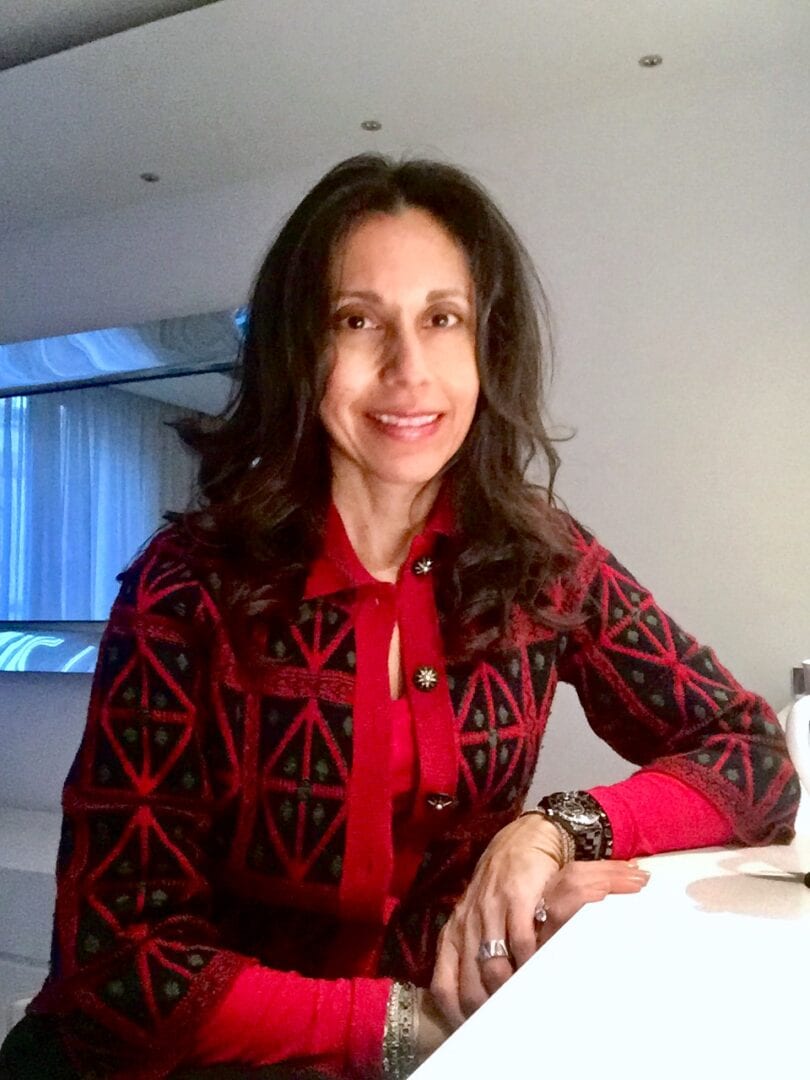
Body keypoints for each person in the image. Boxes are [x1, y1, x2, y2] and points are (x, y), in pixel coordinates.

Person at [1, 154, 799, 1080]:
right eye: (357, 320)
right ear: (301, 350)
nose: (407, 369)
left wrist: (552, 830)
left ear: (485, 347)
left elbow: (751, 757)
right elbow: (119, 966)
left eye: (442, 318)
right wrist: (409, 1024)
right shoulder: (186, 585)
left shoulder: (542, 558)